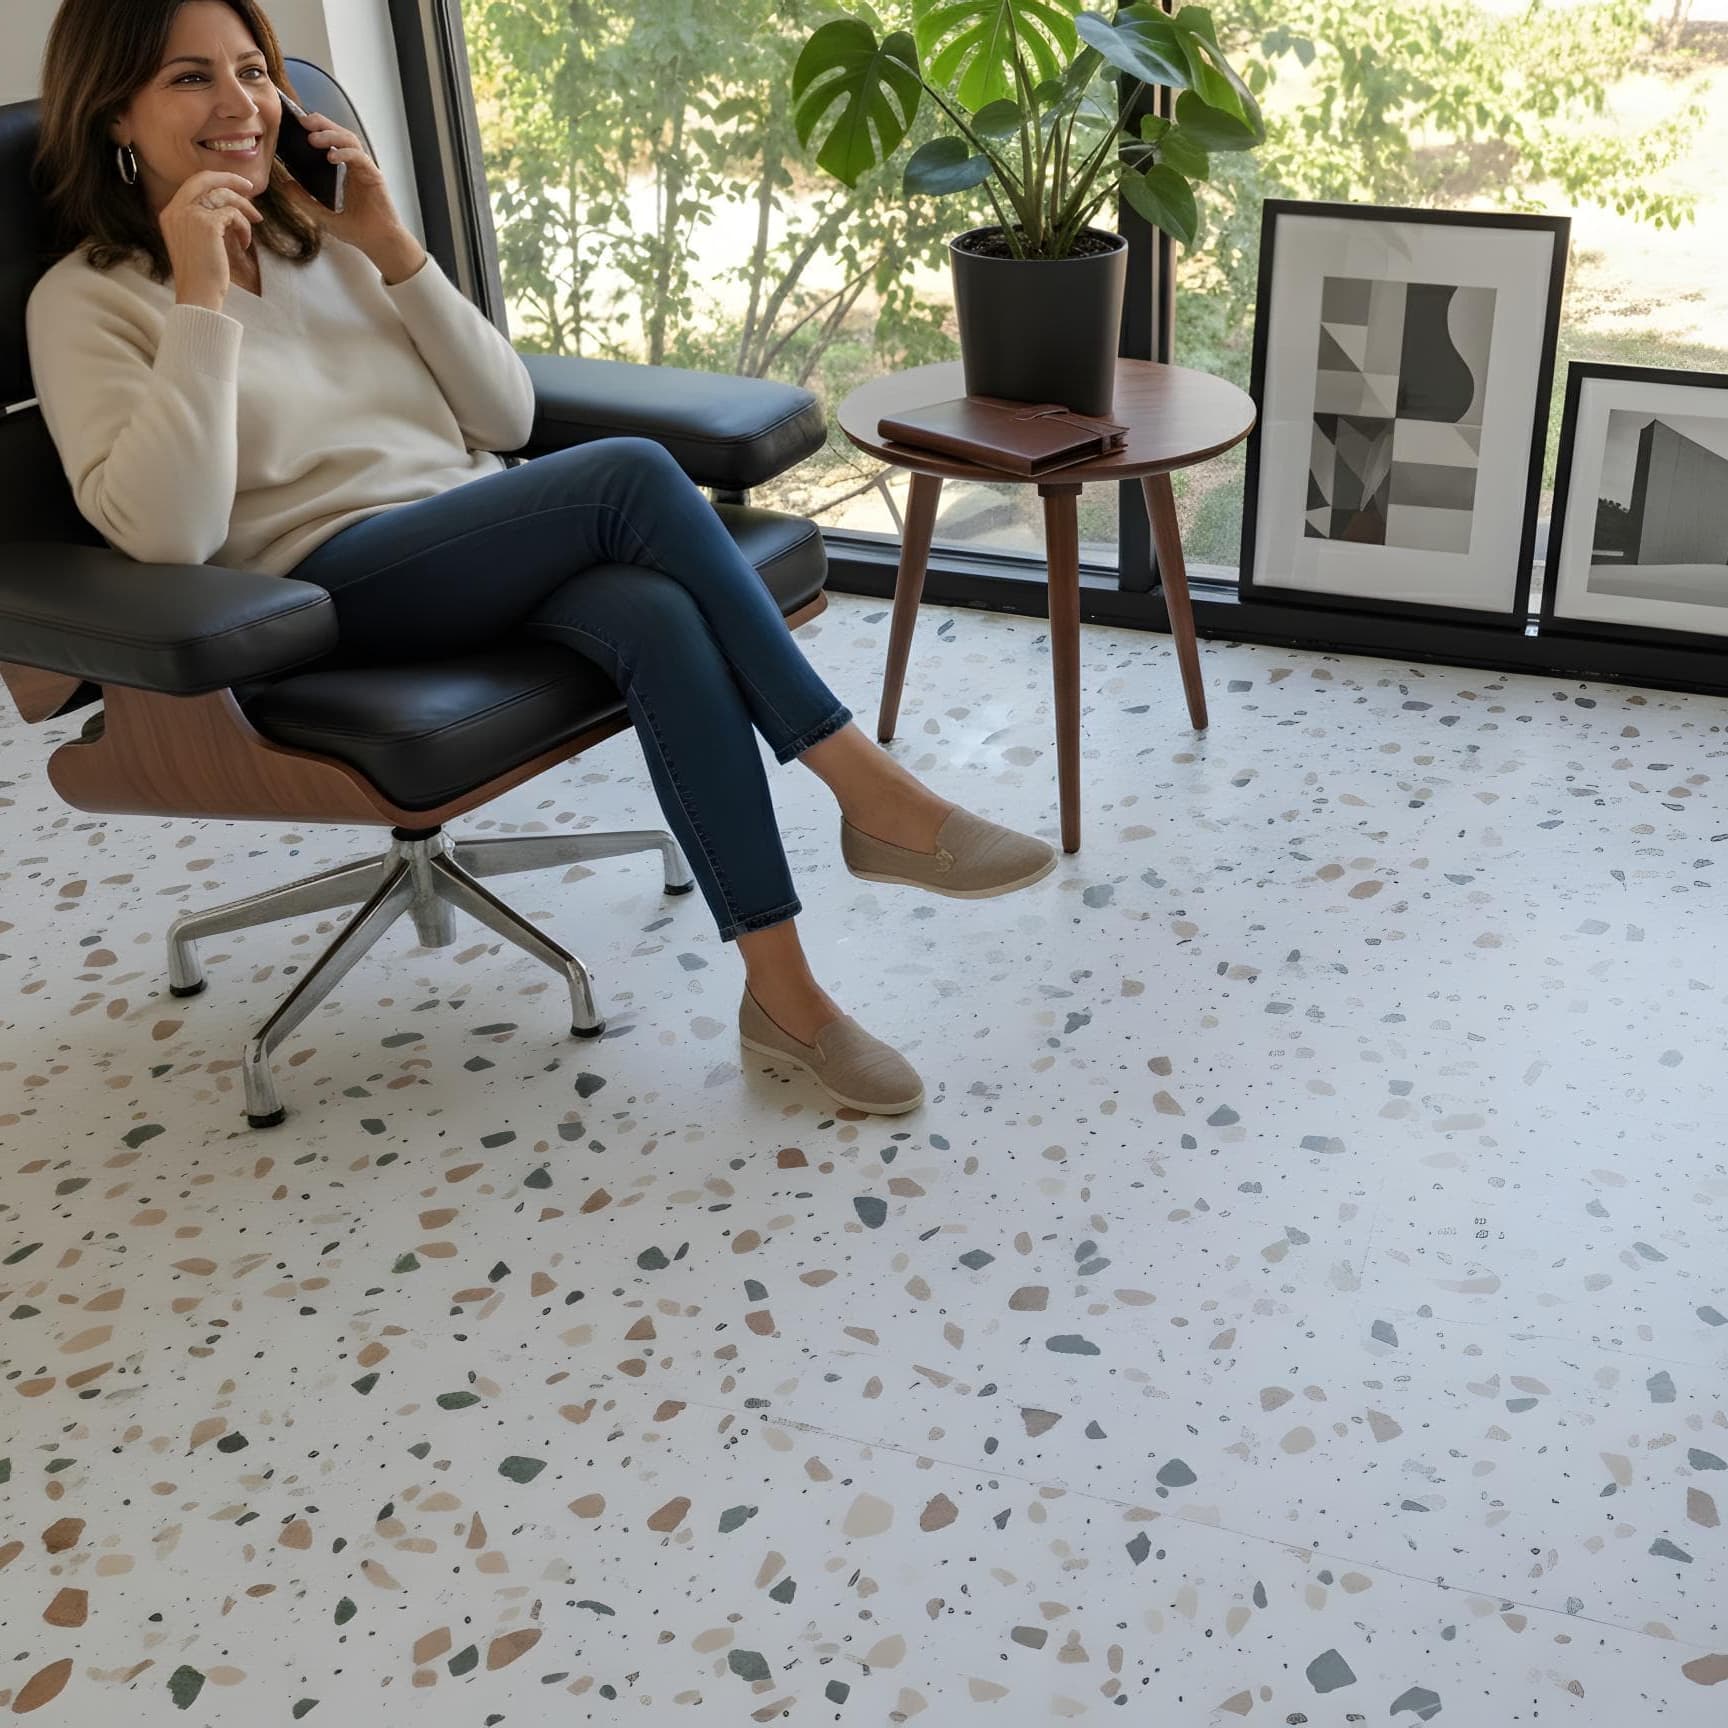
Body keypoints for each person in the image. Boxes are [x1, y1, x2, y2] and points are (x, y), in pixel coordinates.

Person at [26, 0, 1058, 1117]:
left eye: (253, 71)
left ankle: (787, 1002)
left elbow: (505, 414)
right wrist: (199, 295)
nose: (241, 107)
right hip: (315, 595)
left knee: (653, 614)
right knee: (627, 473)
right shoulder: (86, 299)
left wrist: (395, 250)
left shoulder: (329, 239)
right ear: (113, 110)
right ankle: (873, 792)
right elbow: (170, 534)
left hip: (472, 545)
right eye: (190, 78)